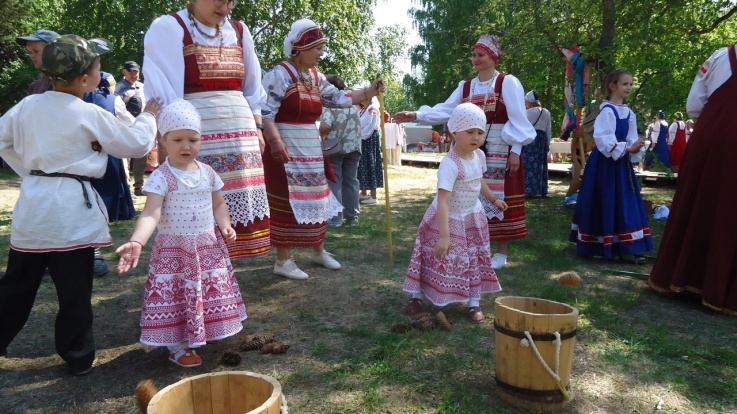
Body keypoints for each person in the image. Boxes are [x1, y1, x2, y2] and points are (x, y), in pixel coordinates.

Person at [0, 34, 160, 374]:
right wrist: (149, 116)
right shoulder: (87, 112)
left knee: (16, 285)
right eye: (99, 68)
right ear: (85, 78)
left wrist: (31, 169)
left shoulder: (28, 106)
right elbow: (135, 144)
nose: (102, 75)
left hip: (34, 206)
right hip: (70, 210)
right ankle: (77, 355)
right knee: (73, 289)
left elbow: (4, 140)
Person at [116, 100, 244, 367]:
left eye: (193, 139)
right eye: (178, 139)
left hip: (206, 245)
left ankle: (203, 330)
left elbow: (218, 203)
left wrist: (225, 224)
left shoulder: (208, 172)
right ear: (162, 140)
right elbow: (152, 213)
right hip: (175, 251)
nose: (186, 146)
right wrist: (137, 240)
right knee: (176, 295)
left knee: (206, 290)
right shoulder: (162, 176)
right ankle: (177, 345)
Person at [393, 35, 535, 269]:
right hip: (466, 146)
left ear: (493, 57)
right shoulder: (466, 86)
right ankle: (471, 245)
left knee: (500, 194)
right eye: (474, 55)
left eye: (481, 55)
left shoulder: (506, 83)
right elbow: (447, 110)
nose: (476, 59)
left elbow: (518, 118)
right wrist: (417, 115)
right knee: (465, 193)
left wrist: (516, 150)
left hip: (499, 143)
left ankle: (501, 252)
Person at [143, 0, 271, 260]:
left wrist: (257, 126)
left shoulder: (239, 30)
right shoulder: (169, 27)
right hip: (197, 134)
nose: (225, 5)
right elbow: (167, 93)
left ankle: (222, 276)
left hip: (239, 133)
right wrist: (174, 136)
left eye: (231, 0)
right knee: (195, 204)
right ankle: (197, 266)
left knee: (229, 213)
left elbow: (252, 86)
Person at [261, 19, 385, 280]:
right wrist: (275, 142)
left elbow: (340, 98)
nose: (321, 53)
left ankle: (318, 249)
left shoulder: (316, 77)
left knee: (317, 197)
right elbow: (266, 113)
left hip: (310, 145)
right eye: (317, 48)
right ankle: (283, 260)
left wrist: (369, 90)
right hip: (285, 144)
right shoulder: (279, 74)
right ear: (301, 48)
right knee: (287, 199)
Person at [648, 43, 737, 316]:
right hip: (721, 134)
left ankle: (685, 277)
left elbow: (695, 105)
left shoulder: (722, 56)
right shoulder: (722, 56)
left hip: (715, 135)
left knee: (702, 201)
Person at [403, 103, 507, 323]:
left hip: (472, 216)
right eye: (470, 131)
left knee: (473, 258)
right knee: (436, 256)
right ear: (454, 132)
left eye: (480, 132)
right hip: (448, 218)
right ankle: (417, 296)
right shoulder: (450, 164)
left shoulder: (479, 156)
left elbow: (479, 180)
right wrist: (444, 235)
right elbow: (443, 200)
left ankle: (473, 301)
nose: (476, 137)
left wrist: (494, 199)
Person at [569, 70, 653, 261]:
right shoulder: (607, 111)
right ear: (612, 86)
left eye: (631, 84)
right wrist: (626, 148)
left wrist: (636, 145)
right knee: (604, 199)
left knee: (624, 200)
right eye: (625, 84)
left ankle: (625, 246)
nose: (629, 88)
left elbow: (631, 135)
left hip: (621, 164)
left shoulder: (629, 112)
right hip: (604, 164)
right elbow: (602, 138)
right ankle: (599, 244)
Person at [319, 74, 362, 227]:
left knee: (335, 180)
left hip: (335, 147)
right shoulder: (353, 105)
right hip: (354, 147)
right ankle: (352, 217)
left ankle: (335, 218)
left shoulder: (330, 105)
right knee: (351, 181)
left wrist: (320, 135)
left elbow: (325, 126)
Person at [115, 60, 149, 196]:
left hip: (142, 126)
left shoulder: (143, 87)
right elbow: (118, 109)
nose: (133, 74)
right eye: (130, 71)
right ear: (124, 71)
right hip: (124, 127)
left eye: (136, 72)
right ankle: (126, 187)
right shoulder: (118, 88)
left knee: (142, 155)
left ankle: (139, 186)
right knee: (125, 158)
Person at [521, 90, 552, 197]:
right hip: (542, 139)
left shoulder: (527, 113)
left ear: (529, 101)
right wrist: (548, 143)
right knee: (541, 164)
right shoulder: (546, 112)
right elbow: (548, 129)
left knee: (529, 164)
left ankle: (529, 190)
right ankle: (542, 189)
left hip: (530, 139)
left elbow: (523, 128)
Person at [16, 29, 59, 95]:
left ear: (53, 51)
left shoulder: (73, 83)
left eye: (36, 51)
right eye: (30, 52)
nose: (32, 56)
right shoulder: (34, 87)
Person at [358, 97, 384, 205]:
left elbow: (370, 128)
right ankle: (363, 192)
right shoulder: (364, 110)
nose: (361, 99)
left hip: (369, 141)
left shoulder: (373, 110)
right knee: (363, 165)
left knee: (370, 165)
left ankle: (373, 195)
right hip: (364, 140)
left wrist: (359, 134)